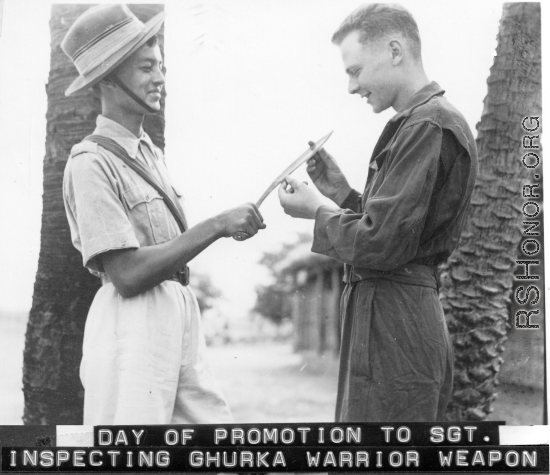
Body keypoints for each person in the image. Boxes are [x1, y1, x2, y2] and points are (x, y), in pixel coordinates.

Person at [61, 4, 265, 424]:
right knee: (133, 452)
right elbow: (128, 275)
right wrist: (217, 226)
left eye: (161, 67)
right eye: (146, 68)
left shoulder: (149, 154)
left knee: (215, 438)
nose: (159, 79)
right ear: (109, 78)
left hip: (177, 311)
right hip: (132, 326)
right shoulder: (91, 162)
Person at [279, 3, 478, 422]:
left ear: (394, 50)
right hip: (391, 316)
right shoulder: (420, 123)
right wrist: (342, 194)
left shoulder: (428, 125)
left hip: (397, 323)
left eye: (355, 71)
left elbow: (381, 243)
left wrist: (317, 211)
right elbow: (396, 230)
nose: (352, 87)